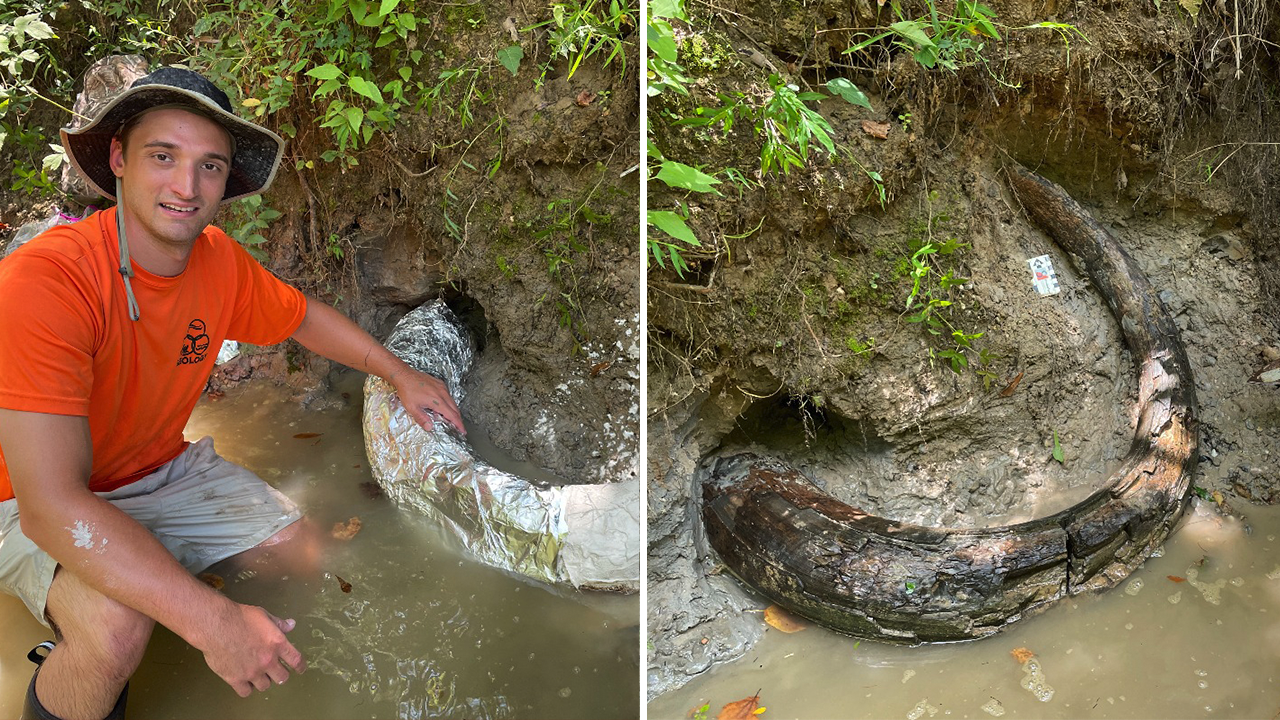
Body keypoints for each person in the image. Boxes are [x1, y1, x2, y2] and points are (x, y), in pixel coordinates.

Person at [0, 66, 465, 720]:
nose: (187, 186)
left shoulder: (217, 261)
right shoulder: (46, 281)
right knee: (116, 628)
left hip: (161, 468)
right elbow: (50, 507)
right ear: (119, 158)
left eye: (210, 166)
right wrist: (214, 622)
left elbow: (301, 316)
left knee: (301, 553)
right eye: (164, 156)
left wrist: (397, 371)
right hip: (25, 498)